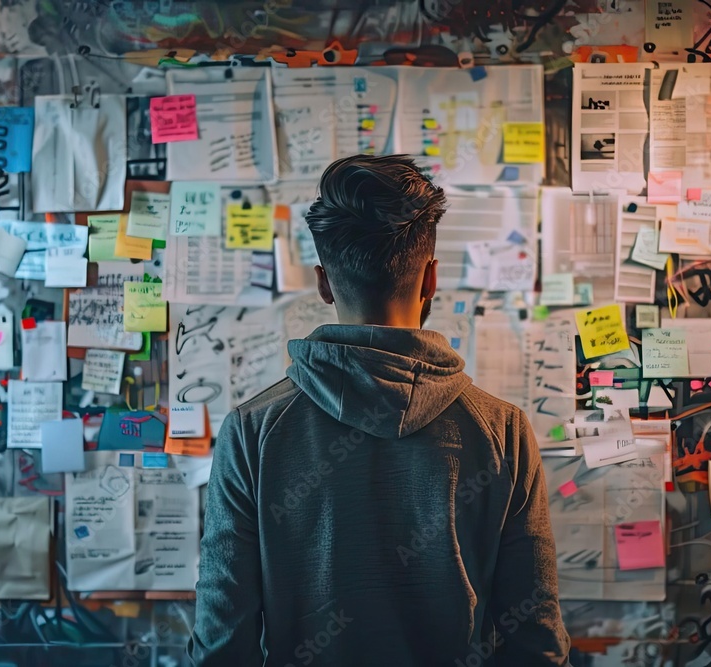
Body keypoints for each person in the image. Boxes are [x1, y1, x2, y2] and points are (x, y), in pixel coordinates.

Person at [189, 155, 571, 666]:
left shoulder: (253, 431)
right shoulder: (503, 429)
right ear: (431, 279)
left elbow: (222, 644)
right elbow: (536, 644)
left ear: (324, 284)